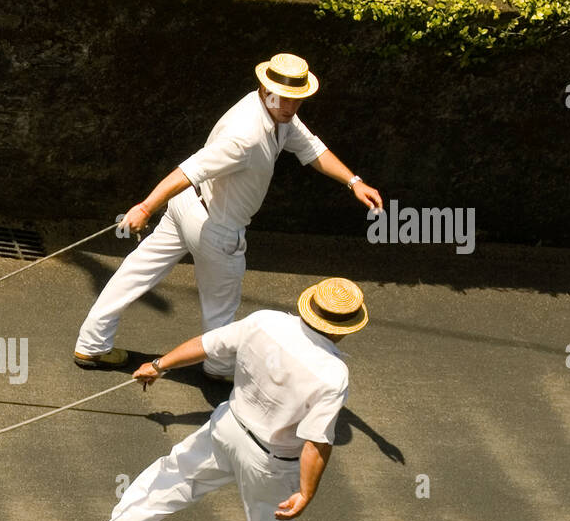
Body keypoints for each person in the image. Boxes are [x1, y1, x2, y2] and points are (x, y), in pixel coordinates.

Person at [74, 54, 383, 379]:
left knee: (135, 272)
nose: (291, 107)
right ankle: (219, 368)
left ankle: (92, 343)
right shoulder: (245, 137)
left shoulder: (277, 111)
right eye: (286, 99)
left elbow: (311, 148)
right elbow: (188, 170)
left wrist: (354, 182)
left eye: (297, 100)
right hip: (216, 229)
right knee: (221, 308)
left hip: (186, 207)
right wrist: (145, 207)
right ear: (265, 89)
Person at [99, 277, 368, 521]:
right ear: (345, 328)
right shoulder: (332, 373)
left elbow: (207, 344)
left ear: (308, 305)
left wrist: (159, 365)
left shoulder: (265, 321)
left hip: (227, 424)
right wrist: (306, 492)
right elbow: (316, 441)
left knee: (177, 474)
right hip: (271, 460)